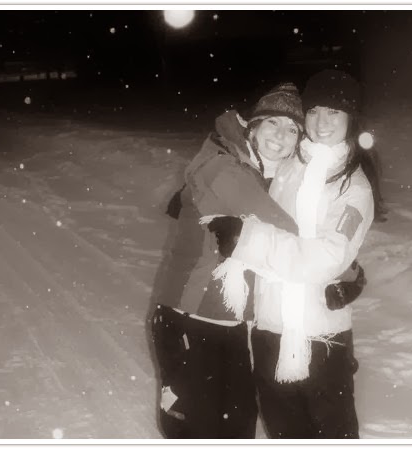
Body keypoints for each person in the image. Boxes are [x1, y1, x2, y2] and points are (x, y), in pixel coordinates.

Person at [148, 81, 366, 439]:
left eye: (292, 129)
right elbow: (289, 232)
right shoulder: (226, 169)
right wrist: (346, 269)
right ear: (253, 125)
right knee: (198, 430)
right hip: (189, 322)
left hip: (231, 329)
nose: (281, 136)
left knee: (236, 430)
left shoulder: (259, 170)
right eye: (272, 123)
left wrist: (341, 266)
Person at [209, 69, 384, 439]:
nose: (322, 122)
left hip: (321, 336)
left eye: (334, 112)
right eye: (315, 110)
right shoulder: (289, 164)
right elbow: (241, 157)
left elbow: (324, 258)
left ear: (351, 119)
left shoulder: (354, 188)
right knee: (285, 435)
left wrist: (247, 240)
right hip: (269, 330)